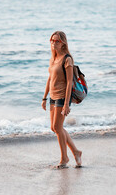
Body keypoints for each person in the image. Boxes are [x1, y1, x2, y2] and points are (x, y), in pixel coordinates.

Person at [41, 31, 82, 169]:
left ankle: (64, 158)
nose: (53, 43)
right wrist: (44, 97)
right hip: (52, 96)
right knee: (54, 127)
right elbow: (49, 79)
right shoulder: (53, 59)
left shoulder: (67, 59)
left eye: (57, 41)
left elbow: (70, 82)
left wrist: (66, 104)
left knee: (58, 128)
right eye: (52, 40)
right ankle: (76, 151)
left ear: (63, 43)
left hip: (63, 96)